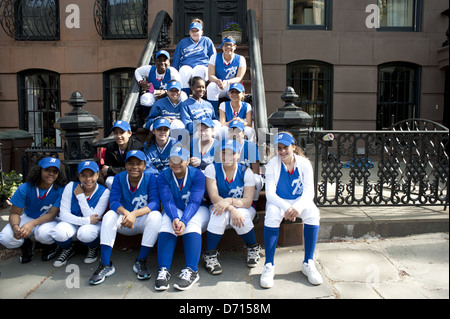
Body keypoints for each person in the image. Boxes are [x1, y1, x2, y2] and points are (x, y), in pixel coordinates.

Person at [260, 132, 322, 289]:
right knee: (272, 214)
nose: (282, 151)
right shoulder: (272, 164)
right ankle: (269, 265)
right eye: (279, 148)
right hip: (280, 202)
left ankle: (308, 262)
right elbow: (270, 194)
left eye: (285, 147)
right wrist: (288, 208)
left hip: (299, 201)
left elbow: (309, 193)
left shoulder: (304, 163)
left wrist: (297, 208)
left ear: (293, 147)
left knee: (313, 213)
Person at [89, 150, 162, 285]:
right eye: (130, 163)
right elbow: (114, 202)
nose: (134, 167)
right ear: (126, 165)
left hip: (140, 221)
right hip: (123, 221)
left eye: (139, 164)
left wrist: (133, 214)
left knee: (156, 216)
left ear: (144, 166)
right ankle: (105, 264)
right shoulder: (119, 178)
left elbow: (155, 203)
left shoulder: (150, 178)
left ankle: (141, 261)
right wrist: (127, 213)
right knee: (109, 215)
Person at [155, 145, 209, 291]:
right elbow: (167, 201)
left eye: (180, 160)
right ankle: (163, 270)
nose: (176, 163)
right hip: (176, 208)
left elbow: (195, 201)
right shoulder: (163, 176)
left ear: (187, 161)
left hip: (199, 209)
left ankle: (191, 270)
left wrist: (183, 220)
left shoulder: (197, 175)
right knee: (166, 222)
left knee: (192, 223)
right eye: (173, 159)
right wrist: (174, 218)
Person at [202, 139, 260, 275]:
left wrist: (228, 201)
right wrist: (232, 209)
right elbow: (214, 197)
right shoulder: (212, 169)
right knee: (219, 214)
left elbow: (247, 201)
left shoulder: (246, 171)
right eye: (224, 152)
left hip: (244, 207)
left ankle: (252, 247)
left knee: (243, 216)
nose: (227, 156)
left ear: (238, 154)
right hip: (219, 206)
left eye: (232, 153)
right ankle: (209, 254)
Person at [0, 157, 66, 263]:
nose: (51, 174)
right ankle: (26, 244)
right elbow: (14, 213)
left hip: (50, 220)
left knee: (43, 234)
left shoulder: (60, 189)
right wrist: (15, 227)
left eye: (55, 171)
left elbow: (52, 215)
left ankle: (51, 246)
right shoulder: (25, 188)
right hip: (29, 216)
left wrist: (32, 224)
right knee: (6, 237)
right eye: (47, 170)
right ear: (39, 170)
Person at [50, 161, 110, 267]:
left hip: (92, 226)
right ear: (78, 176)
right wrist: (85, 220)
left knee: (86, 233)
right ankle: (67, 249)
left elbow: (94, 219)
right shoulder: (71, 186)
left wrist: (81, 197)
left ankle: (93, 248)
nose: (88, 179)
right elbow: (63, 214)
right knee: (58, 231)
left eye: (91, 175)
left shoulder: (104, 192)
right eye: (83, 175)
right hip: (73, 223)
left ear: (97, 175)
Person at [172, 19, 216, 96]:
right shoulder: (183, 42)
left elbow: (213, 58)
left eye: (197, 31)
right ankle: (185, 96)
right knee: (184, 70)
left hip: (202, 67)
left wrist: (214, 73)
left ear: (201, 32)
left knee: (198, 69)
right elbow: (176, 59)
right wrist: (173, 74)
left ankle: (198, 96)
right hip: (187, 66)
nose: (195, 33)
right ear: (189, 32)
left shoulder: (206, 41)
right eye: (193, 31)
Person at [207, 37, 247, 116]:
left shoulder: (240, 59)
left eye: (230, 45)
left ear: (235, 47)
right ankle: (213, 115)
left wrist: (227, 82)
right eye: (225, 45)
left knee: (237, 89)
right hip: (219, 85)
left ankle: (237, 116)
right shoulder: (214, 57)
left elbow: (239, 78)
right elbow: (210, 76)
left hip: (232, 85)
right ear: (222, 47)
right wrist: (218, 81)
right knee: (211, 86)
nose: (228, 47)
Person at [227, 120, 263, 202]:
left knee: (256, 180)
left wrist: (244, 179)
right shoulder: (225, 145)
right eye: (231, 131)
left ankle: (253, 202)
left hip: (248, 176)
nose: (234, 134)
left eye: (238, 131)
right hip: (230, 176)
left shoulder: (251, 146)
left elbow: (255, 170)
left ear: (243, 133)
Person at [102, 120, 143, 189]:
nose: (119, 136)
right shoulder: (110, 147)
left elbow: (134, 168)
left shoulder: (137, 146)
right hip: (117, 177)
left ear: (129, 133)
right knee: (109, 181)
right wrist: (110, 170)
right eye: (116, 133)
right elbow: (105, 169)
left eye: (122, 133)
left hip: (134, 177)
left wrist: (110, 170)